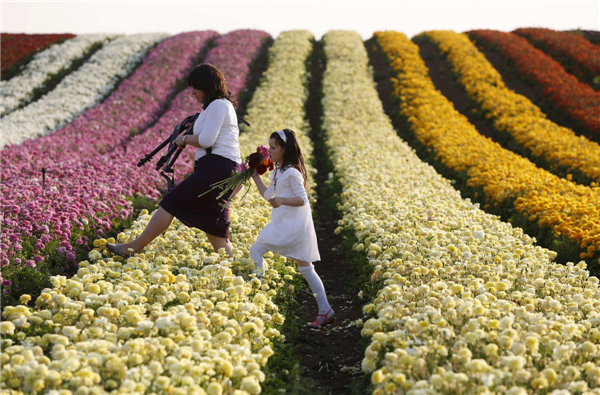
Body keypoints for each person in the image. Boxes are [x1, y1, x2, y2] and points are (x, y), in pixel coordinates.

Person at [106, 63, 242, 258]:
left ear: (206, 85)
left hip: (217, 168)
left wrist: (184, 139)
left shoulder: (218, 105)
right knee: (215, 229)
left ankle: (133, 248)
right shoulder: (213, 107)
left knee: (170, 202)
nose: (193, 93)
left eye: (195, 87)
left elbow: (206, 140)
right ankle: (240, 271)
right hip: (220, 169)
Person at [250, 129, 335, 328]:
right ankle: (325, 311)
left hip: (290, 227)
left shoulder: (292, 172)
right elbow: (267, 195)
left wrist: (282, 200)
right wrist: (255, 177)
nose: (269, 151)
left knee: (257, 249)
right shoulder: (278, 171)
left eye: (273, 147)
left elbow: (302, 199)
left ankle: (259, 295)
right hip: (285, 224)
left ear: (284, 149)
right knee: (306, 268)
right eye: (269, 146)